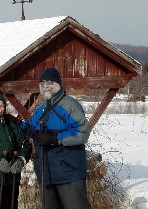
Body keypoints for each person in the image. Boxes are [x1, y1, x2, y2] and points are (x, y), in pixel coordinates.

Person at [20, 67, 91, 209]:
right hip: (46, 171)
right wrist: (17, 125)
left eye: (49, 82)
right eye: (42, 84)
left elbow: (82, 132)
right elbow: (32, 128)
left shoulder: (70, 105)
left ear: (58, 83)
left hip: (68, 172)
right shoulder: (42, 108)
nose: (45, 86)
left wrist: (55, 138)